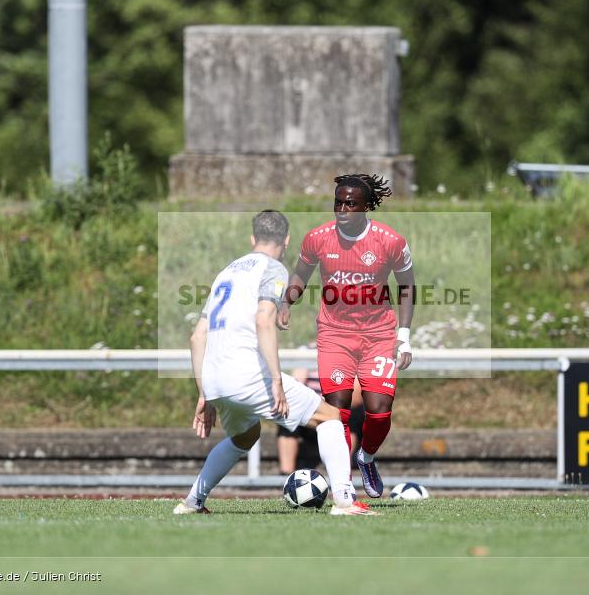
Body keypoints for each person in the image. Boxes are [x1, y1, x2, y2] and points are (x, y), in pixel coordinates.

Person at [174, 210, 376, 516]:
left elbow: (196, 337)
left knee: (245, 436)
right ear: (287, 240)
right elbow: (264, 320)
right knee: (331, 418)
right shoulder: (274, 268)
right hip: (249, 375)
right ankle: (345, 501)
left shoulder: (225, 273)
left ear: (252, 238)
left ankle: (191, 502)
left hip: (215, 378)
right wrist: (276, 380)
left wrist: (205, 393)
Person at [277, 174, 415, 498]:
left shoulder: (390, 241)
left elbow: (407, 285)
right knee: (335, 412)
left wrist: (404, 337)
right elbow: (300, 273)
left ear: (366, 206)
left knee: (379, 411)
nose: (342, 209)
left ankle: (366, 457)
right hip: (335, 334)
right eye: (338, 201)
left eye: (350, 203)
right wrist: (286, 300)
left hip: (379, 334)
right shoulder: (318, 238)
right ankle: (343, 484)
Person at [277, 370, 364, 474]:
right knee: (289, 414)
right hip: (313, 409)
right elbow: (295, 385)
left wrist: (327, 407)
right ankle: (286, 474)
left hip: (336, 409)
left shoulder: (349, 357)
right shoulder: (308, 355)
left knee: (352, 413)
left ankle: (342, 473)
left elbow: (356, 396)